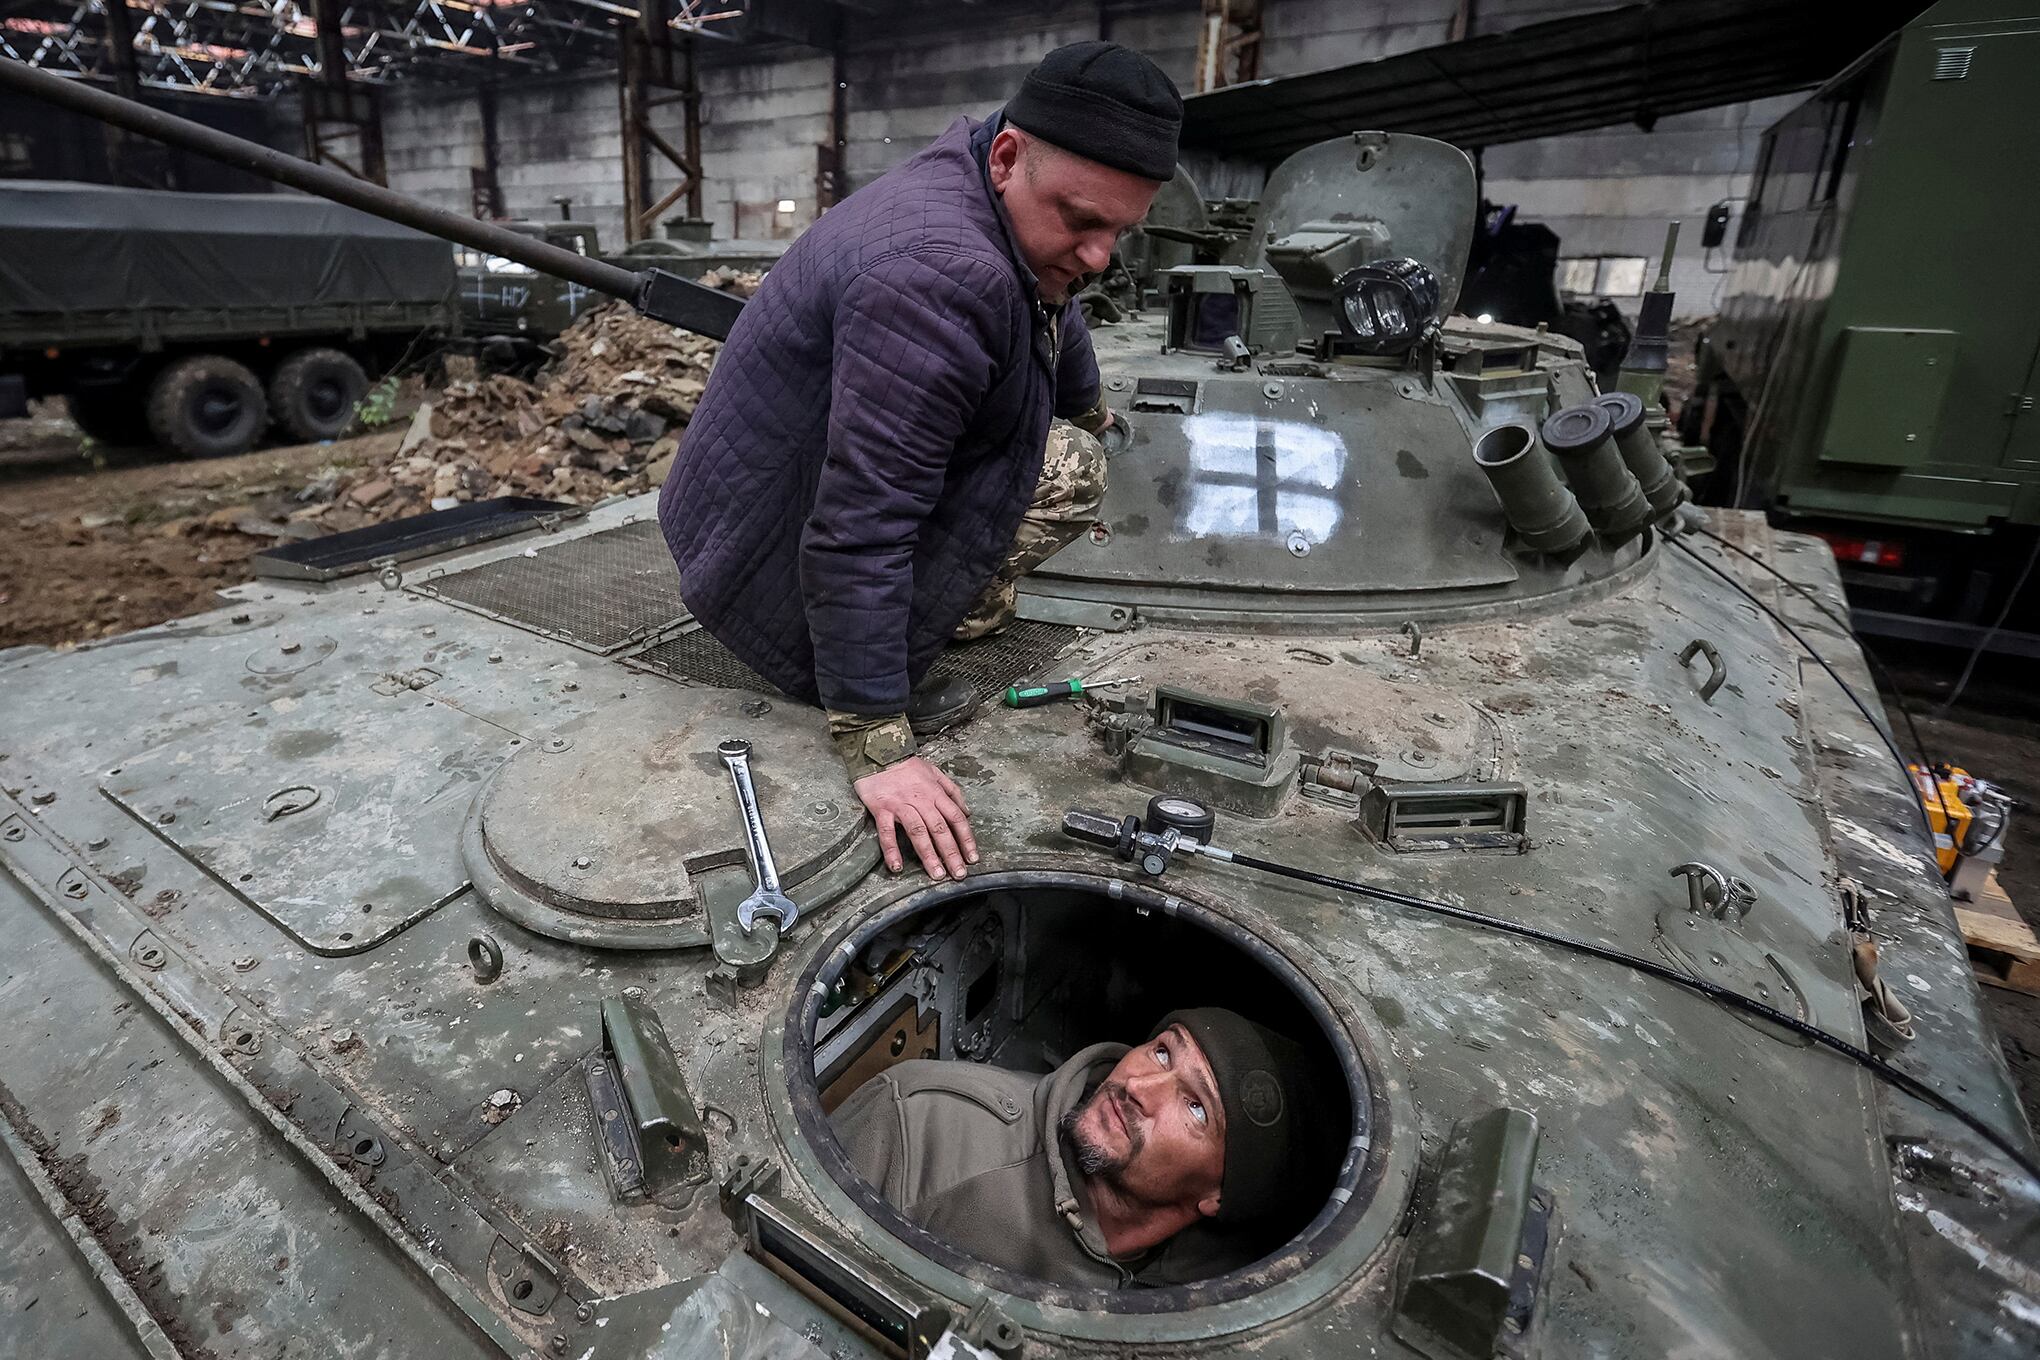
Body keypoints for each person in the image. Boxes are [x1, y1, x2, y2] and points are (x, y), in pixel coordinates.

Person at [658, 42, 1183, 883]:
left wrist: (1085, 404)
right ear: (1007, 157)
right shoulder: (941, 272)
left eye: (1121, 231)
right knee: (1068, 470)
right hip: (759, 560)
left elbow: (1055, 306)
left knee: (1063, 438)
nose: (1099, 255)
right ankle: (884, 642)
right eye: (1084, 221)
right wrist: (876, 736)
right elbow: (863, 520)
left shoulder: (985, 178)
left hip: (740, 497)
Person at [830, 1008, 1330, 1289]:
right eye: (1162, 1052)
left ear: (1216, 1196)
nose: (1140, 1086)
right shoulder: (915, 1122)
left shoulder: (1222, 1294)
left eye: (1196, 1107)